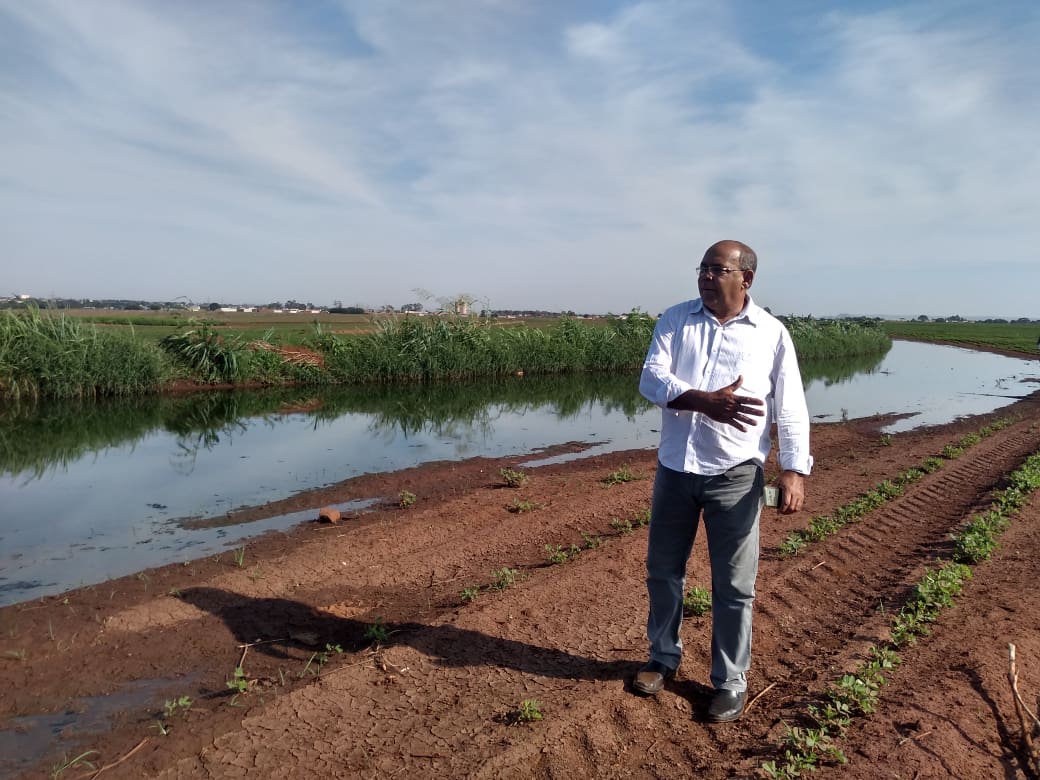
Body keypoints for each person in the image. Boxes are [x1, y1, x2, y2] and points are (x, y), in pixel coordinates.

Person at [634, 239, 812, 722]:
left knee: (733, 585)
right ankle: (662, 657)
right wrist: (700, 399)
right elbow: (651, 379)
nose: (706, 277)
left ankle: (730, 681)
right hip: (676, 468)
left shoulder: (771, 334)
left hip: (735, 475)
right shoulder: (676, 319)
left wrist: (793, 470)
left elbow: (790, 406)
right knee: (662, 572)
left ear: (745, 279)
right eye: (703, 269)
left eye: (718, 270)